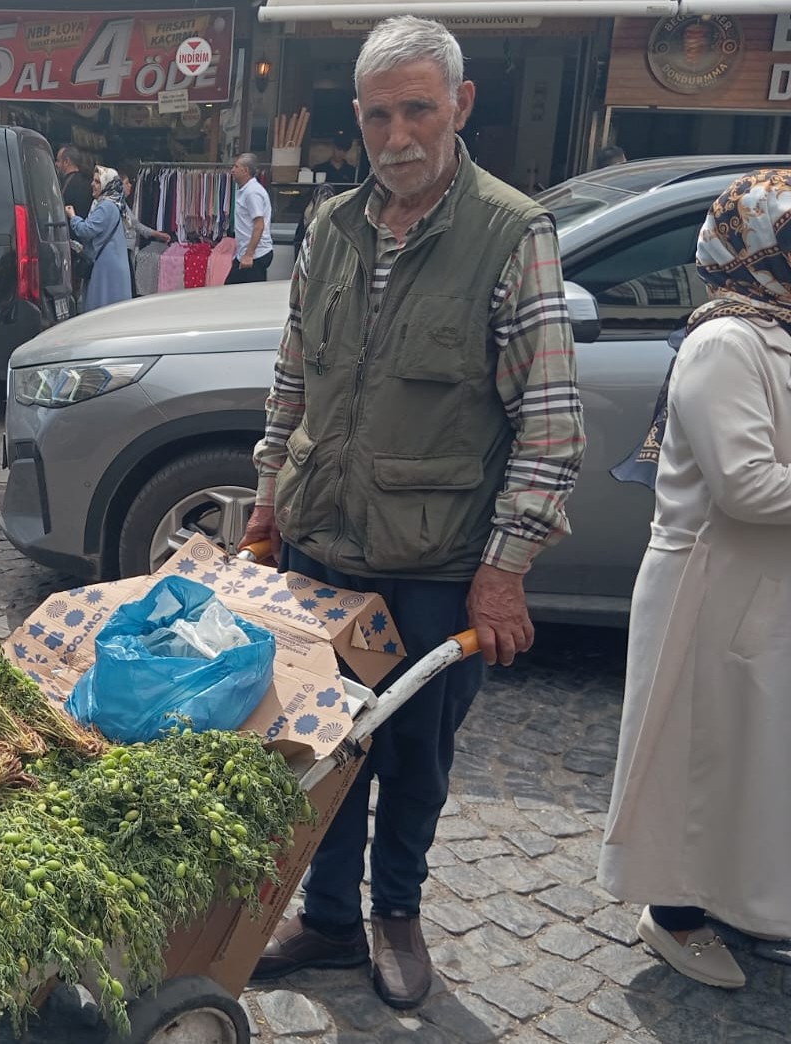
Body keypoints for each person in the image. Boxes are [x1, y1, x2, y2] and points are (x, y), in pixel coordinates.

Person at [243, 16, 584, 1009]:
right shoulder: (332, 226)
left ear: (459, 107)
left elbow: (551, 423)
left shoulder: (510, 231)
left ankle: (395, 910)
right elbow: (291, 378)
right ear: (358, 117)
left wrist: (505, 567)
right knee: (325, 744)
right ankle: (331, 920)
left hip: (435, 563)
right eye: (380, 113)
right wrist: (268, 506)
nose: (398, 135)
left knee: (412, 754)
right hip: (321, 549)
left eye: (418, 111)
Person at [598, 169, 791, 990]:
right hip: (707, 589)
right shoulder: (725, 341)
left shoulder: (774, 330)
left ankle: (747, 903)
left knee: (756, 750)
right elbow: (745, 486)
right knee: (692, 749)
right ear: (758, 249)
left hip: (762, 583)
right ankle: (674, 912)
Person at [66, 166, 132, 313]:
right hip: (112, 266)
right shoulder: (114, 205)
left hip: (106, 269)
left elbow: (86, 230)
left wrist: (73, 216)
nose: (92, 184)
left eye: (97, 181)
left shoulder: (106, 207)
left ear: (107, 184)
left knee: (101, 310)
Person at [226, 153, 273, 284]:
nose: (232, 170)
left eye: (236, 167)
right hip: (247, 253)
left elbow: (259, 225)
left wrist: (248, 255)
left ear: (245, 170)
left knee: (244, 295)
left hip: (255, 254)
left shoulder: (252, 192)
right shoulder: (245, 190)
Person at [55, 144, 92, 220]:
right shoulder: (89, 182)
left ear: (66, 161)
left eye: (58, 161)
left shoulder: (63, 184)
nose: (56, 164)